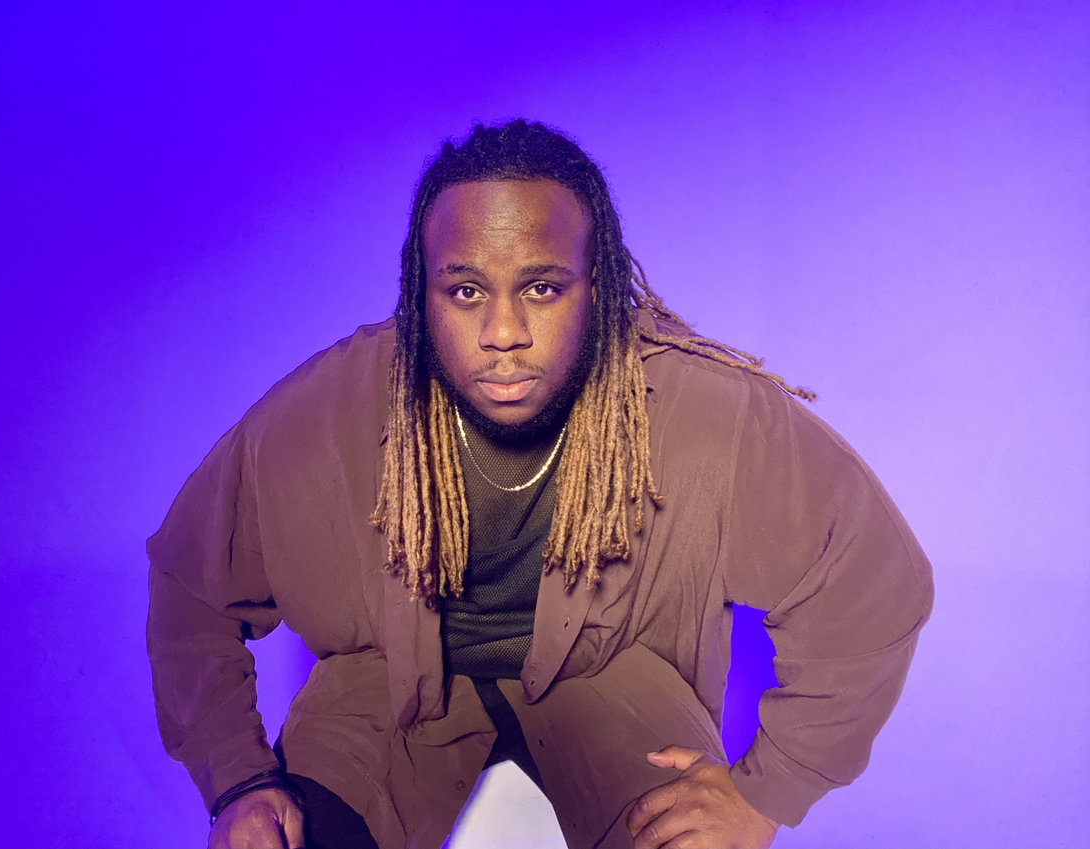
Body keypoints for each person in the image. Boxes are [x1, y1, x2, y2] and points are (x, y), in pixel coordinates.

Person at [147, 120, 933, 849]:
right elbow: (191, 582)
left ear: (598, 285)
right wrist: (238, 777)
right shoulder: (330, 411)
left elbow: (869, 580)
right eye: (466, 291)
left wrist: (766, 791)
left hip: (617, 676)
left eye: (542, 288)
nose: (503, 333)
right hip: (384, 687)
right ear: (421, 294)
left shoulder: (700, 411)